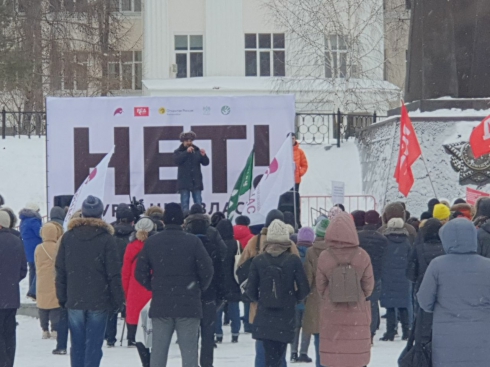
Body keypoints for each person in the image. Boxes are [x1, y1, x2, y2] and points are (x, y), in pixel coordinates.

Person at [135, 203, 214, 367]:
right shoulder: (193, 241)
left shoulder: (153, 242)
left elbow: (139, 272)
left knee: (158, 352)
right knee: (189, 353)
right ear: (182, 221)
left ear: (163, 221)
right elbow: (207, 270)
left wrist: (153, 286)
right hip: (189, 305)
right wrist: (196, 288)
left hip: (161, 304)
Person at [55, 196, 125, 367]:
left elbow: (60, 270)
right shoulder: (107, 239)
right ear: (101, 214)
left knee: (77, 345)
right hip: (99, 300)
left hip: (75, 298)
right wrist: (118, 300)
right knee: (94, 345)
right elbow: (114, 274)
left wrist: (63, 297)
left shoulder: (68, 237)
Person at [417, 218, 490, 367]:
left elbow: (425, 301)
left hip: (446, 335)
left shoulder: (437, 265)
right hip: (482, 334)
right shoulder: (487, 266)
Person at [237, 209, 298, 367]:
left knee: (262, 346)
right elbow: (299, 273)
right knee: (280, 347)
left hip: (260, 302)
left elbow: (241, 266)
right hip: (284, 303)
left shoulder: (255, 241)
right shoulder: (289, 244)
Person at [246, 219, 310, 367]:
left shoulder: (259, 260)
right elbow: (304, 289)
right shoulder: (293, 260)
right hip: (285, 315)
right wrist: (293, 299)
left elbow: (250, 290)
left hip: (264, 315)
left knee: (268, 356)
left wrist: (262, 299)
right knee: (279, 355)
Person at [316, 212, 374, 367]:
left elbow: (320, 286)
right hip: (357, 312)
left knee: (335, 356)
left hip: (331, 313)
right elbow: (368, 287)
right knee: (355, 356)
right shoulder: (362, 255)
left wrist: (332, 294)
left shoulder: (324, 256)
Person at [185, 206, 225, 367]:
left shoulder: (185, 234)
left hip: (189, 292)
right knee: (208, 334)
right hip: (210, 290)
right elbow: (223, 253)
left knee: (190, 333)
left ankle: (191, 362)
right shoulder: (213, 234)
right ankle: (207, 363)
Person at [404, 218, 445, 361]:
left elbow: (410, 272)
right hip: (444, 291)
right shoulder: (446, 248)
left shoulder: (419, 247)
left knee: (422, 323)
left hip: (421, 289)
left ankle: (424, 354)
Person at [122, 217, 154, 348]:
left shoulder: (131, 247)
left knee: (133, 311)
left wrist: (125, 289)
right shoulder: (154, 246)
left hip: (134, 286)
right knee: (148, 312)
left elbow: (126, 271)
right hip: (150, 285)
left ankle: (132, 337)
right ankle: (149, 335)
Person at [106, 203, 135, 347]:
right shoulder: (135, 234)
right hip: (131, 274)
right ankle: (131, 337)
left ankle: (110, 337)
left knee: (112, 306)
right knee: (131, 305)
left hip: (113, 273)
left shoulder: (109, 234)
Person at [0, 211, 27, 367]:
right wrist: (10, 281)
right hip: (11, 296)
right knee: (9, 332)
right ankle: (8, 362)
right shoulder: (17, 240)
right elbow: (23, 269)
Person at [357, 210, 388, 342]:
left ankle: (359, 327)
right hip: (376, 273)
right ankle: (371, 331)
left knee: (359, 302)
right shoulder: (382, 239)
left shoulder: (358, 236)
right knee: (373, 303)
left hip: (359, 273)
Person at [379, 218, 412, 341]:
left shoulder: (385, 241)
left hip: (388, 276)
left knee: (390, 305)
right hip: (403, 276)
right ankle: (406, 331)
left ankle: (390, 332)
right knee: (403, 305)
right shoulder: (406, 242)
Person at [304, 218, 329, 367]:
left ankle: (320, 364)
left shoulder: (311, 252)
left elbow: (308, 278)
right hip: (334, 298)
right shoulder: (336, 250)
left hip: (316, 298)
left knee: (319, 338)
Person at [215, 219, 242, 343]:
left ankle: (218, 334)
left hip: (219, 280)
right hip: (234, 279)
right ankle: (235, 333)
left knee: (218, 309)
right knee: (234, 308)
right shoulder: (236, 244)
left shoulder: (216, 243)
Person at [291, 226, 315, 363]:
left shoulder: (293, 253)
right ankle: (303, 352)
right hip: (309, 296)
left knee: (295, 325)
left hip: (295, 295)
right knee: (307, 325)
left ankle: (293, 352)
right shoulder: (313, 254)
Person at [35, 222, 63, 340]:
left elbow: (36, 263)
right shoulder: (58, 246)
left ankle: (44, 329)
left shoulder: (39, 248)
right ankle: (55, 329)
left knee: (43, 305)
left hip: (42, 280)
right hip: (54, 278)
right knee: (54, 305)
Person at [174, 131, 210, 213]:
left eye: (190, 141)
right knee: (185, 203)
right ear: (183, 141)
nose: (189, 142)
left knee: (198, 202)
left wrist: (204, 156)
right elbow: (177, 161)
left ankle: (199, 217)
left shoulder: (197, 151)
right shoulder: (178, 152)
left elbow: (206, 163)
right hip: (184, 182)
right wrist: (186, 152)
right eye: (187, 141)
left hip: (196, 181)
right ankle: (185, 219)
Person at [19, 202, 43, 300]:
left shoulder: (23, 221)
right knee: (38, 270)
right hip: (36, 249)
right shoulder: (33, 221)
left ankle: (31, 290)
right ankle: (33, 292)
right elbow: (40, 233)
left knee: (33, 270)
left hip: (28, 250)